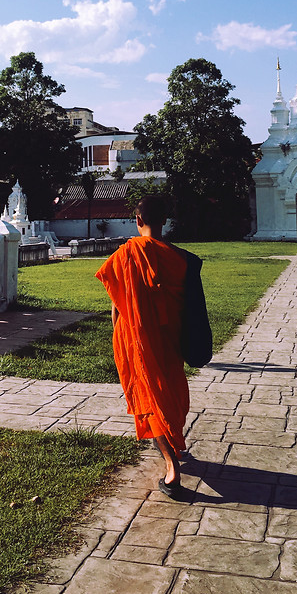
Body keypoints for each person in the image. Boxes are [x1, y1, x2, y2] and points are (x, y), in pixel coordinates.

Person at [95, 195, 189, 498]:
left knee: (149, 395)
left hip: (135, 336)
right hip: (170, 337)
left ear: (137, 221)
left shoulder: (127, 254)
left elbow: (117, 304)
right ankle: (173, 442)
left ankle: (171, 467)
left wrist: (118, 333)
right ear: (165, 221)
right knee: (168, 390)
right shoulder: (179, 258)